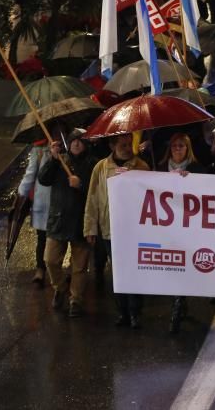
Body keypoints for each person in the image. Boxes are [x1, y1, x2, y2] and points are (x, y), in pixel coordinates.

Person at [84, 133, 150, 329]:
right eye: (123, 144)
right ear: (112, 146)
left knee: (133, 272)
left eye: (129, 144)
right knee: (118, 274)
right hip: (109, 229)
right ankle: (122, 312)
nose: (128, 148)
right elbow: (93, 197)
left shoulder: (141, 166)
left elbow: (149, 196)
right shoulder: (101, 168)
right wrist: (90, 227)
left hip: (132, 230)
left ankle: (135, 312)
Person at [39, 130, 96, 317]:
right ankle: (60, 287)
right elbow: (43, 179)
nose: (77, 144)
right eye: (73, 141)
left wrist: (81, 185)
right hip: (59, 219)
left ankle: (75, 300)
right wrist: (52, 159)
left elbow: (98, 191)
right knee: (50, 259)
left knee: (79, 266)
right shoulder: (60, 161)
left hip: (82, 221)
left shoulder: (92, 164)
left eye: (80, 141)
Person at [159, 133, 206, 333]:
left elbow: (210, 190)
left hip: (189, 227)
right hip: (166, 227)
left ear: (188, 149)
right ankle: (179, 301)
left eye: (182, 146)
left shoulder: (196, 168)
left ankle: (178, 305)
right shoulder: (160, 168)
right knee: (172, 266)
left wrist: (193, 180)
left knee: (184, 265)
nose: (178, 149)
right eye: (175, 146)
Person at [18, 141, 53, 286]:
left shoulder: (68, 148)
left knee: (61, 238)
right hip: (43, 203)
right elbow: (30, 174)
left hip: (62, 203)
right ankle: (40, 269)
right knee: (42, 238)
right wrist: (21, 193)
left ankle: (59, 271)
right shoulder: (39, 151)